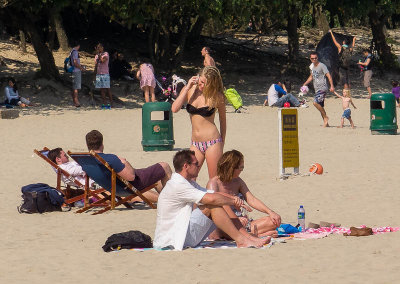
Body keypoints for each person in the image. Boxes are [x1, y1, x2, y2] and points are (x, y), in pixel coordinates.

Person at [153, 150, 270, 250]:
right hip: (174, 239)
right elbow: (211, 198)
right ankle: (242, 240)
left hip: (181, 230)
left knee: (217, 201)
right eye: (196, 164)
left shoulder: (187, 182)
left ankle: (245, 238)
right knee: (213, 204)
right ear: (186, 166)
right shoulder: (178, 185)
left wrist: (233, 198)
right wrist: (233, 201)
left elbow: (212, 194)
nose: (199, 166)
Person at [207, 150, 281, 239]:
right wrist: (236, 219)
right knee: (226, 228)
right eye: (240, 168)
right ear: (231, 168)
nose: (242, 170)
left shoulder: (238, 181)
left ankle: (254, 234)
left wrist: (270, 212)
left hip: (243, 223)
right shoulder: (213, 183)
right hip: (224, 224)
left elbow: (251, 199)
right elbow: (217, 208)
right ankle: (257, 235)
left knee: (274, 221)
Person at [171, 66, 226, 179]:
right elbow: (174, 109)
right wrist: (187, 87)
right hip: (195, 144)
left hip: (213, 143)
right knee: (188, 179)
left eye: (206, 84)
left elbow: (223, 121)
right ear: (198, 78)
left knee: (214, 180)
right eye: (201, 82)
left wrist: (222, 144)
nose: (202, 86)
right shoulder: (190, 90)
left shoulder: (217, 96)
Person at [85, 130, 172, 200]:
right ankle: (173, 200)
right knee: (164, 166)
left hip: (113, 188)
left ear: (87, 145)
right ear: (102, 144)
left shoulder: (86, 160)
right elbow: (131, 177)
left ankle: (167, 200)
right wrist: (125, 162)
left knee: (156, 176)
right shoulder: (110, 159)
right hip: (129, 187)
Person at [302, 51, 335, 127]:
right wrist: (305, 84)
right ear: (310, 59)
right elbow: (311, 77)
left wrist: (332, 86)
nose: (314, 60)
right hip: (317, 89)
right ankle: (326, 123)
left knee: (315, 103)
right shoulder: (312, 67)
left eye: (315, 58)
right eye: (312, 58)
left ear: (317, 58)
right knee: (320, 106)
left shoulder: (322, 66)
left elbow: (329, 76)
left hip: (322, 88)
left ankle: (326, 117)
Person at [94, 43, 113, 107]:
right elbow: (96, 65)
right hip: (99, 74)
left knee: (108, 89)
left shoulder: (106, 54)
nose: (98, 48)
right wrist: (94, 74)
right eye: (97, 47)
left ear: (102, 48)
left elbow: (103, 61)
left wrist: (99, 55)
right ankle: (104, 103)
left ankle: (111, 103)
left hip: (105, 74)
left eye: (99, 47)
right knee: (101, 90)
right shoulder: (96, 56)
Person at [70, 41, 85, 107]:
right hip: (76, 71)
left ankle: (75, 101)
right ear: (78, 45)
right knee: (76, 87)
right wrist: (81, 68)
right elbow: (75, 63)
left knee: (74, 86)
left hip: (73, 70)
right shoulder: (75, 52)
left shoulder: (71, 51)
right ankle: (76, 102)